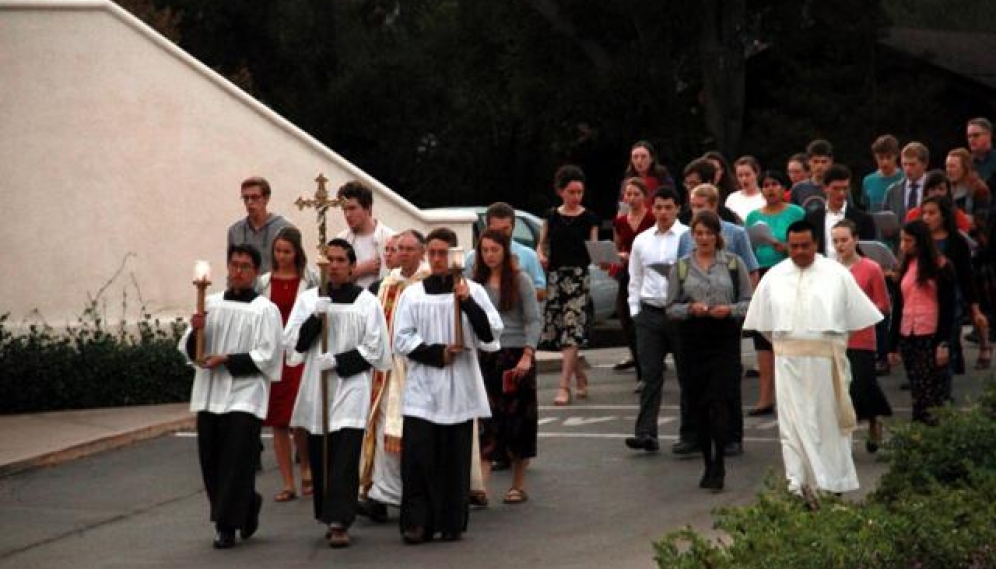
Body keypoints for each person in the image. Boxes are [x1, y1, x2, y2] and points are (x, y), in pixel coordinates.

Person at [743, 220, 882, 500]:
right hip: (788, 365)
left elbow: (856, 318)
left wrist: (821, 344)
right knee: (793, 427)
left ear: (816, 244)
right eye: (793, 246)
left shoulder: (836, 274)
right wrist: (791, 346)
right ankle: (800, 486)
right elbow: (765, 325)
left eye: (805, 246)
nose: (799, 251)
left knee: (827, 424)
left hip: (825, 366)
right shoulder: (775, 276)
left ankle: (832, 485)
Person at [393, 227, 503, 544]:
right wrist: (438, 353)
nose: (438, 259)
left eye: (445, 253)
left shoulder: (472, 291)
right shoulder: (413, 294)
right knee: (418, 457)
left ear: (455, 256)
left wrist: (467, 302)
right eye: (434, 253)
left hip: (458, 389)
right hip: (424, 387)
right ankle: (417, 522)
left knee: (453, 459)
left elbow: (490, 335)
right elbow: (401, 339)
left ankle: (450, 520)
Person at [284, 238, 392, 548]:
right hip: (318, 388)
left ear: (351, 265)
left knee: (345, 453)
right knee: (322, 452)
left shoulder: (366, 302)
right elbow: (293, 345)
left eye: (340, 260)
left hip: (350, 384)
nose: (334, 266)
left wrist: (340, 360)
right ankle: (327, 512)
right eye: (329, 260)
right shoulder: (309, 300)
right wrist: (315, 320)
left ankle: (340, 520)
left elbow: (375, 348)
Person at [178, 243, 284, 549]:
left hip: (244, 394)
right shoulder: (209, 303)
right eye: (234, 265)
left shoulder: (265, 310)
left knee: (236, 461)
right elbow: (191, 351)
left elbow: (268, 355)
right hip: (210, 392)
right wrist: (197, 330)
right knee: (211, 460)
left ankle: (225, 526)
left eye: (245, 266)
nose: (238, 271)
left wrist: (228, 359)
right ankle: (247, 506)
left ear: (255, 272)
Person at [666, 211, 752, 492]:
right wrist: (690, 308)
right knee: (699, 403)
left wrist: (729, 310)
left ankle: (720, 462)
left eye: (708, 233)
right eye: (698, 233)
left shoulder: (732, 264)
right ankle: (706, 460)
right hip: (693, 337)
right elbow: (671, 307)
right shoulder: (681, 266)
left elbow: (748, 302)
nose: (703, 238)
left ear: (718, 235)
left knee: (720, 400)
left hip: (724, 336)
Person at [676, 183, 759, 457]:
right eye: (693, 206)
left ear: (713, 205)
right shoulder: (685, 240)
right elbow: (678, 280)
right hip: (694, 322)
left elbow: (749, 273)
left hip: (724, 322)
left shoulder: (735, 235)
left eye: (701, 205)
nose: (701, 237)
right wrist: (689, 308)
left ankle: (731, 435)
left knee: (726, 383)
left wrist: (735, 311)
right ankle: (692, 434)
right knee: (692, 381)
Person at [358, 230, 430, 522]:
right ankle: (380, 494)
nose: (401, 253)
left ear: (421, 252)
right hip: (386, 369)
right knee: (380, 427)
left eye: (408, 249)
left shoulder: (428, 284)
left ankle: (411, 495)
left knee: (405, 430)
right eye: (397, 248)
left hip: (416, 367)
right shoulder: (388, 284)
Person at [472, 229, 541, 504]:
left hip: (515, 355)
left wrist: (528, 354)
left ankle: (517, 484)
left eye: (494, 250)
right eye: (485, 250)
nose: (489, 255)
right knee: (487, 419)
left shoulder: (520, 280)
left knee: (518, 421)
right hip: (487, 354)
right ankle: (482, 487)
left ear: (505, 251)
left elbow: (533, 320)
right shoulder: (475, 282)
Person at [256, 227, 319, 503]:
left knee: (299, 416)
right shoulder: (264, 283)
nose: (281, 257)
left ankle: (307, 466)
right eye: (278, 251)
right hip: (274, 355)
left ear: (297, 253)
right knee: (278, 420)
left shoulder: (309, 279)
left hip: (298, 354)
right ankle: (287, 481)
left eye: (287, 252)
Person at [625, 188, 688, 453]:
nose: (662, 213)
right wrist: (634, 310)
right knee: (650, 375)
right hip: (649, 313)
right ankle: (646, 433)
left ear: (677, 209)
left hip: (679, 313)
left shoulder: (687, 237)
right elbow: (635, 277)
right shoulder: (642, 240)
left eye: (668, 207)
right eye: (658, 207)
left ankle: (690, 433)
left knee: (687, 375)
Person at [743, 170, 805, 415]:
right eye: (766, 185)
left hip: (789, 272)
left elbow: (807, 244)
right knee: (762, 336)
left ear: (783, 188)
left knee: (789, 333)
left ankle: (793, 396)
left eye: (775, 184)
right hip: (762, 274)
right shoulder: (753, 216)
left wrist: (785, 247)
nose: (770, 189)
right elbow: (748, 250)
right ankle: (766, 396)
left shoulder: (795, 212)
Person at [537, 165, 600, 406]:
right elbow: (541, 245)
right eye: (571, 192)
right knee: (559, 331)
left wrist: (604, 257)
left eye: (580, 192)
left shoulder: (590, 218)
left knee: (572, 330)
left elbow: (594, 250)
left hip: (578, 279)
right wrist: (541, 255)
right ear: (561, 192)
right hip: (554, 277)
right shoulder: (551, 216)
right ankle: (579, 375)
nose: (576, 197)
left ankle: (564, 387)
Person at [831, 220, 892, 453]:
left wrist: (860, 310)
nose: (840, 245)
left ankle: (874, 419)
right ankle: (841, 437)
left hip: (862, 336)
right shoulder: (830, 268)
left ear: (855, 239)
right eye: (835, 240)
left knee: (862, 383)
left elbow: (883, 305)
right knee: (840, 388)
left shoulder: (871, 268)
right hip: (836, 336)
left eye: (844, 240)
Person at [888, 220, 956, 425]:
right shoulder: (906, 266)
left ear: (920, 242)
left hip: (930, 333)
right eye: (902, 240)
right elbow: (898, 307)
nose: (903, 245)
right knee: (917, 387)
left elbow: (948, 308)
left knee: (929, 389)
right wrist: (892, 345)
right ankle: (919, 433)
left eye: (908, 241)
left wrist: (943, 342)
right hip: (908, 332)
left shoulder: (941, 266)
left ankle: (929, 431)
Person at [917, 196, 987, 373]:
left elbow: (966, 276)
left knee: (948, 334)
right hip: (924, 298)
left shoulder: (957, 241)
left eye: (932, 213)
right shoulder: (919, 240)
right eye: (924, 213)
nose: (926, 217)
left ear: (943, 215)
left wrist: (975, 308)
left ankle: (949, 370)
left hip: (951, 297)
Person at [610, 178, 655, 384]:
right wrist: (615, 257)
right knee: (626, 319)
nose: (632, 198)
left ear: (645, 196)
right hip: (627, 274)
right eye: (628, 194)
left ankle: (650, 368)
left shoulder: (652, 217)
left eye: (636, 194)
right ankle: (640, 369)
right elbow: (617, 246)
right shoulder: (620, 221)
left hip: (649, 273)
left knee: (646, 321)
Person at [462, 202, 547, 300]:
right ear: (487, 227)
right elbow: (465, 290)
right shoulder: (472, 257)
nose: (501, 234)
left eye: (505, 229)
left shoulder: (528, 255)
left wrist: (513, 293)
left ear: (513, 226)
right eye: (496, 230)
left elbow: (541, 292)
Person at [804, 164, 876, 261]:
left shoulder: (863, 219)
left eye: (845, 188)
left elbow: (869, 254)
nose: (841, 193)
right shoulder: (811, 219)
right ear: (825, 188)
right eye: (836, 188)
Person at [336, 181, 396, 289]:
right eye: (344, 209)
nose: (347, 214)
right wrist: (360, 270)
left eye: (352, 208)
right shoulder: (341, 239)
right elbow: (331, 281)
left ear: (368, 207)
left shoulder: (390, 238)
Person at [227, 176, 293, 274]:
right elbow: (232, 268)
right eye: (246, 198)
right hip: (245, 288)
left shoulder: (284, 228)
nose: (249, 202)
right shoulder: (235, 231)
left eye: (254, 197)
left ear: (266, 198)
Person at [905, 170, 973, 231]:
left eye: (941, 189)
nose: (937, 193)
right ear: (926, 192)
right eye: (933, 189)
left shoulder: (958, 216)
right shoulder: (913, 215)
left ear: (947, 192)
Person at [679, 158, 740, 225]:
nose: (688, 188)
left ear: (709, 183)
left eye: (694, 183)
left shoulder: (728, 217)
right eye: (687, 183)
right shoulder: (682, 219)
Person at [882, 142, 929, 223]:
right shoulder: (892, 191)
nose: (907, 169)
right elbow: (886, 222)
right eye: (904, 164)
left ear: (924, 164)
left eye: (912, 164)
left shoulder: (934, 188)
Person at [945, 148, 991, 231]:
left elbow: (981, 221)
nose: (948, 170)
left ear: (965, 168)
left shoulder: (979, 189)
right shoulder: (945, 186)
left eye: (952, 166)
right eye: (947, 166)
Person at [620, 140, 676, 206]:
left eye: (643, 157)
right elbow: (623, 205)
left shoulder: (661, 176)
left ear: (651, 159)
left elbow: (672, 199)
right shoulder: (627, 179)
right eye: (635, 157)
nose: (639, 161)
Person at [790, 140, 834, 214]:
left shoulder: (839, 188)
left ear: (831, 162)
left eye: (824, 162)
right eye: (815, 161)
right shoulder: (798, 188)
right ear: (808, 162)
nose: (819, 166)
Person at [862, 134, 904, 213]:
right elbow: (867, 208)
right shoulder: (868, 180)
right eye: (881, 158)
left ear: (896, 156)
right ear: (875, 157)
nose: (885, 162)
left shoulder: (904, 178)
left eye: (889, 157)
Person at [725, 156, 766, 223]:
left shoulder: (765, 197)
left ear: (756, 173)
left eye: (747, 175)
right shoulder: (732, 198)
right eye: (740, 175)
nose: (744, 179)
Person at [967, 117, 996, 189]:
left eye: (976, 135)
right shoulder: (967, 164)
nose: (971, 139)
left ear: (988, 135)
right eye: (969, 136)